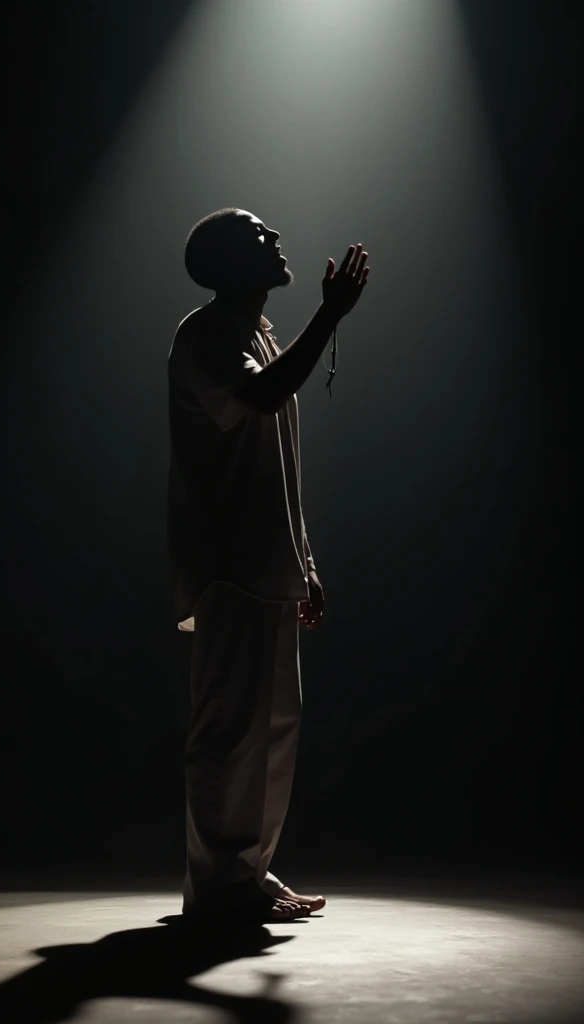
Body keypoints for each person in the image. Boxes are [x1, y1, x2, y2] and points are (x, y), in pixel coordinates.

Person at [166, 208, 370, 924]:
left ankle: (246, 876)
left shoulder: (257, 332)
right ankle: (217, 887)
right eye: (258, 234)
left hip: (269, 565)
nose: (276, 239)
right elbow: (259, 394)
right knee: (227, 734)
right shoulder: (203, 336)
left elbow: (279, 468)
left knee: (273, 729)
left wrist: (305, 560)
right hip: (229, 567)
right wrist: (329, 313)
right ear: (227, 262)